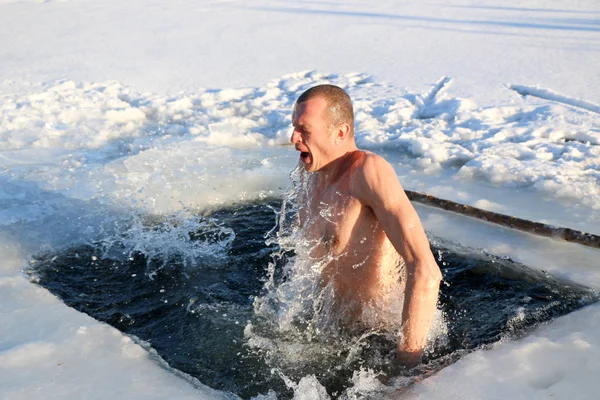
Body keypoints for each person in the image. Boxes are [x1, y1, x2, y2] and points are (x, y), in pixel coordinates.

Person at [289, 84, 442, 365]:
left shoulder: (368, 172)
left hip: (379, 339)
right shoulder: (312, 175)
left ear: (340, 132)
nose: (293, 138)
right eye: (294, 128)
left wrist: (407, 367)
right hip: (328, 333)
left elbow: (425, 271)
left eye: (304, 130)